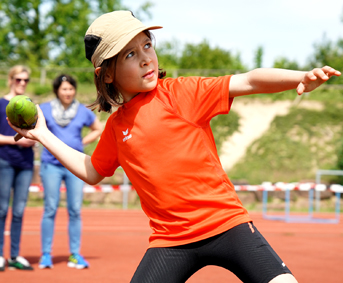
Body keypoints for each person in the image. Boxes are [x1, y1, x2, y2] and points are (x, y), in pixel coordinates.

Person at [9, 11, 341, 282]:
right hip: (171, 240)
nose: (145, 59)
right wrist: (42, 134)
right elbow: (93, 171)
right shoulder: (116, 127)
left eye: (147, 45)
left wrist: (299, 77)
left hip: (227, 224)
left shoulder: (182, 92)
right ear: (105, 74)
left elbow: (249, 79)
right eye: (130, 53)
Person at [38, 74, 103, 269]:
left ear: (74, 90)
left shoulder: (82, 111)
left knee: (75, 210)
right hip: (51, 164)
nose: (67, 92)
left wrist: (80, 143)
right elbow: (35, 129)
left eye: (71, 89)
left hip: (76, 166)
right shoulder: (44, 109)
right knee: (50, 208)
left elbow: (97, 129)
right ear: (57, 90)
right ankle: (46, 255)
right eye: (64, 89)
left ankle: (75, 254)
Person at [0, 65, 36, 271]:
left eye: (26, 80)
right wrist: (17, 142)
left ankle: (14, 255)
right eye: (18, 79)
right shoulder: (1, 104)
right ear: (11, 80)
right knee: (2, 210)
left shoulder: (29, 105)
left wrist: (33, 140)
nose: (22, 83)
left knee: (19, 211)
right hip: (4, 161)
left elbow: (33, 133)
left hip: (26, 164)